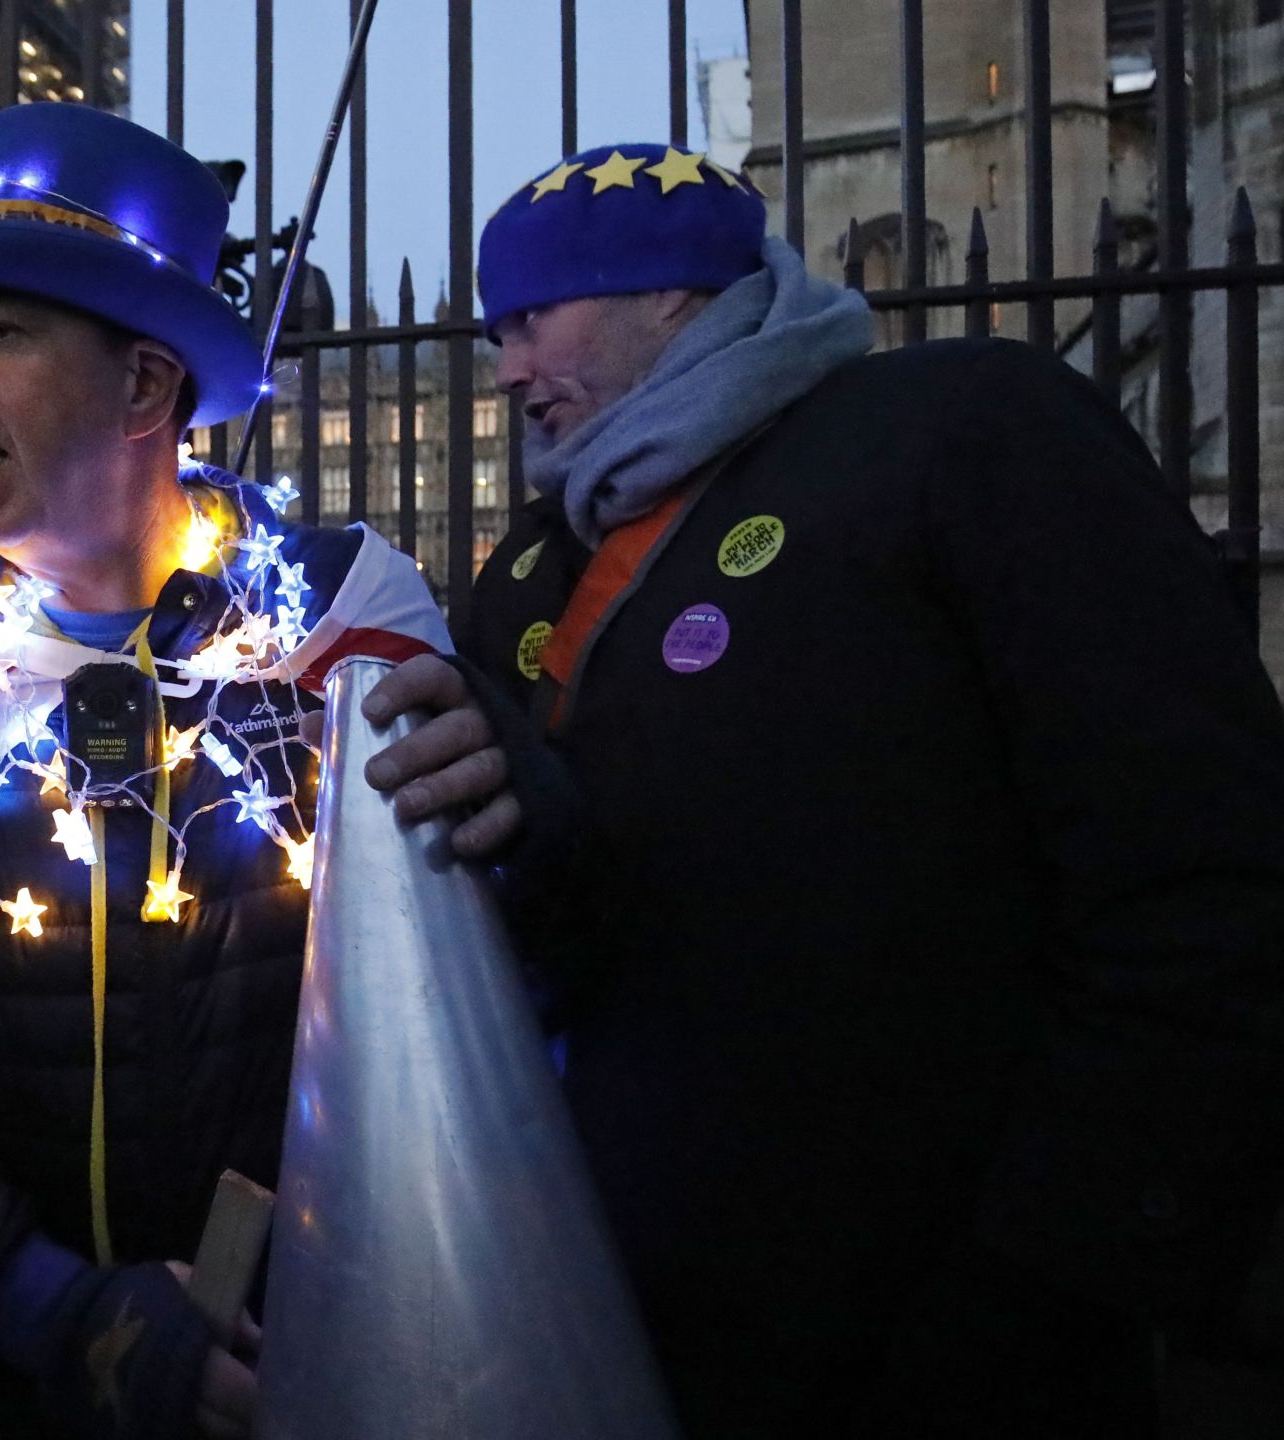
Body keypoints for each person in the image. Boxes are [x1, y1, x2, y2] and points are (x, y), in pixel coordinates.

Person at [360, 142, 1284, 1435]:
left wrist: (1054, 1273)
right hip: (629, 1327)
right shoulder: (530, 569)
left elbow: (1198, 870)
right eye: (495, 329)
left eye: (536, 320)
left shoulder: (961, 431)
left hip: (954, 1342)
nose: (508, 369)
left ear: (674, 289)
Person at [0, 105, 451, 1439]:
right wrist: (57, 1316)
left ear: (145, 387)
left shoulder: (347, 638)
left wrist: (531, 818)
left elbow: (499, 1008)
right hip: (16, 1391)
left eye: (1, 329)